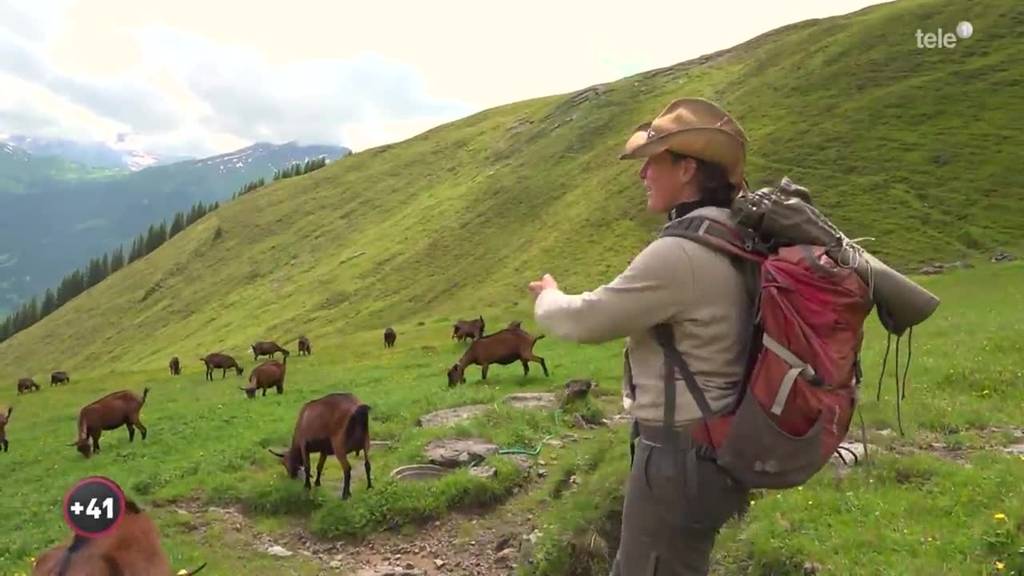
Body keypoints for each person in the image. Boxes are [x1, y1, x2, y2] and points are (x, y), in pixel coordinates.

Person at [528, 98, 752, 575]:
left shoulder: (681, 253)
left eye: (654, 162)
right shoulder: (733, 234)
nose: (642, 174)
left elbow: (587, 320)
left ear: (687, 168)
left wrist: (548, 297)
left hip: (678, 455)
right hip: (715, 445)